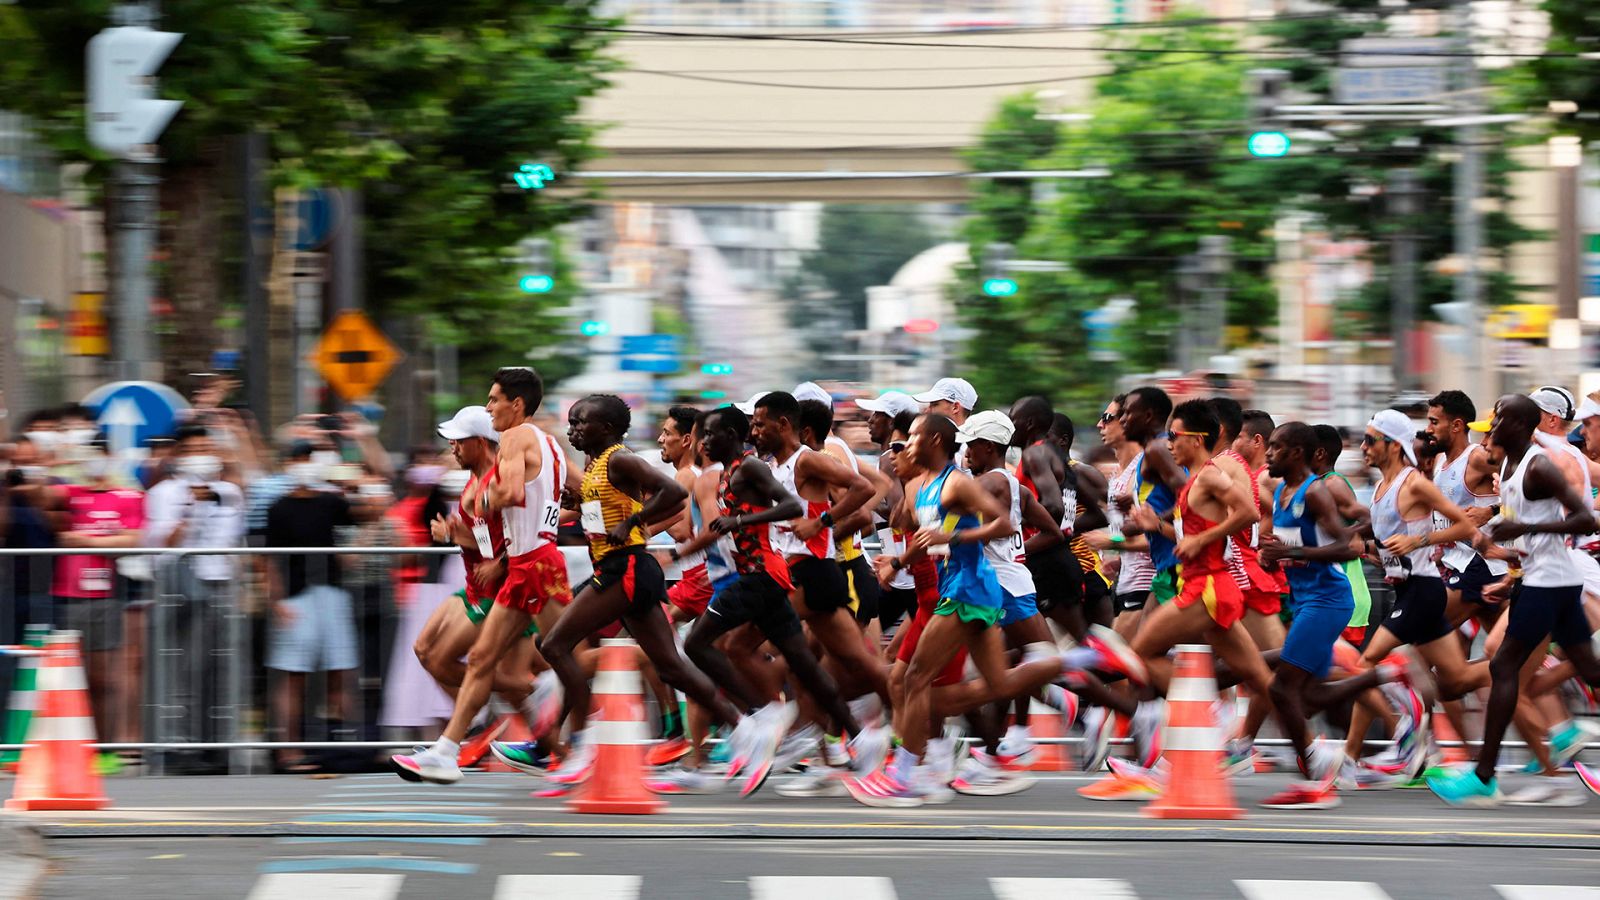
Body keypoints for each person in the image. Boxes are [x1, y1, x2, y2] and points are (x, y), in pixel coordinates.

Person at [845, 413, 1142, 808]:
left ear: (934, 440)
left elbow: (1002, 525)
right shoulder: (927, 486)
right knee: (999, 683)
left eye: (913, 437)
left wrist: (953, 535)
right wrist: (896, 565)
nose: (905, 444)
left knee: (915, 677)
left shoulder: (957, 484)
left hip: (970, 588)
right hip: (966, 587)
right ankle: (1087, 655)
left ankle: (905, 777)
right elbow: (924, 539)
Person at [534, 393, 763, 787]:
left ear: (605, 428)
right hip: (627, 571)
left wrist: (634, 521)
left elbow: (672, 494)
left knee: (554, 646)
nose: (571, 430)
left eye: (579, 423)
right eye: (570, 423)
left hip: (624, 570)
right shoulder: (595, 465)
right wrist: (581, 500)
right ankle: (745, 727)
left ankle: (584, 742)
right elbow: (607, 507)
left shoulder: (620, 458)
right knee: (670, 666)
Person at [677, 405, 886, 796]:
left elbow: (864, 491)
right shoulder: (759, 467)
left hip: (802, 571)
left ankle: (772, 721)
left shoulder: (793, 462)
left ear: (783, 424)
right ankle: (848, 740)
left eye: (760, 424)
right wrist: (679, 553)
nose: (756, 431)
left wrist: (820, 523)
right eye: (752, 425)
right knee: (810, 663)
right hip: (790, 570)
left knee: (731, 646)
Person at [393, 369, 572, 784]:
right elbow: (571, 494)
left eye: (494, 400)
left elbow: (513, 494)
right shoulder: (550, 446)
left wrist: (484, 505)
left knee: (571, 662)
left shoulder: (514, 438)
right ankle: (448, 750)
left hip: (534, 566)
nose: (490, 407)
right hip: (528, 566)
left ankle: (573, 742)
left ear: (517, 405)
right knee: (481, 660)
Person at [1430, 394, 1600, 806]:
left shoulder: (1540, 466)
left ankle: (1484, 776)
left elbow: (1584, 518)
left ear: (1522, 426)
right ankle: (1486, 774)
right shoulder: (1509, 467)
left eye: (1499, 420)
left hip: (1553, 583)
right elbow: (1526, 538)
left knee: (1504, 665)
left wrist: (1522, 525)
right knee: (1590, 671)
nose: (1491, 428)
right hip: (1538, 580)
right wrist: (1510, 574)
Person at [1255, 422, 1426, 808]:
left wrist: (1291, 555)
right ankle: (1386, 674)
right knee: (1307, 695)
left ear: (1297, 453)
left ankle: (1316, 778)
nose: (1268, 454)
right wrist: (1273, 555)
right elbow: (1295, 545)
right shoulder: (1283, 491)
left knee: (1280, 688)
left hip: (1328, 601)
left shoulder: (1316, 492)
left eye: (1276, 448)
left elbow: (1346, 548)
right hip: (1305, 600)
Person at [1337, 408, 1484, 771]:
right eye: (1364, 439)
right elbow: (1392, 552)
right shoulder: (1380, 489)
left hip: (1424, 590)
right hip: (1407, 589)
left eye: (1371, 440)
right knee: (1459, 677)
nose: (1364, 447)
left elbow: (1465, 525)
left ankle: (1362, 754)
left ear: (1393, 445)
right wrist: (1370, 551)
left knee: (1366, 664)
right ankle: (1521, 663)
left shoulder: (1413, 482)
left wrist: (1419, 541)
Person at [142, 424, 246, 764]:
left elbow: (229, 537)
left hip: (217, 586)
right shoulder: (163, 493)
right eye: (194, 448)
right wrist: (189, 508)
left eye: (207, 447)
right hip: (176, 589)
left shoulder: (228, 491)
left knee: (214, 667)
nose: (202, 455)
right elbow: (160, 543)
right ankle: (174, 742)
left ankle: (212, 744)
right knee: (178, 666)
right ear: (181, 455)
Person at [264, 449, 357, 773]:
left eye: (309, 459)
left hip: (332, 594)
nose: (303, 466)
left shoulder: (333, 502)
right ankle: (288, 752)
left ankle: (346, 749)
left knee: (341, 672)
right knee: (293, 677)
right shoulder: (277, 508)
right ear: (287, 465)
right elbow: (268, 560)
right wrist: (276, 602)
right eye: (297, 459)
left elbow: (361, 520)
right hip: (295, 599)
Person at [49, 439, 144, 759]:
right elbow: (43, 502)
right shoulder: (69, 494)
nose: (95, 462)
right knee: (71, 678)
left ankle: (103, 749)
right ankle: (69, 750)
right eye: (89, 456)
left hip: (106, 596)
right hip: (67, 596)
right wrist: (58, 462)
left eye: (101, 456)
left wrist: (81, 538)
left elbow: (130, 540)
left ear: (111, 458)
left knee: (104, 678)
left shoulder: (127, 497)